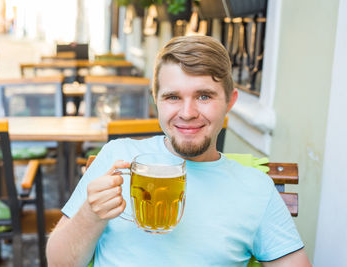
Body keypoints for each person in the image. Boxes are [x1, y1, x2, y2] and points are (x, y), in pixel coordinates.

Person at [46, 35, 311, 267]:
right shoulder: (117, 156)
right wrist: (89, 215)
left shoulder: (256, 188)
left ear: (230, 102)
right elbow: (58, 263)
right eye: (173, 97)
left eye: (204, 96)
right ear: (156, 101)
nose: (187, 113)